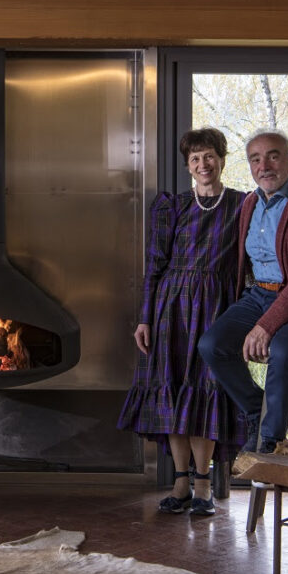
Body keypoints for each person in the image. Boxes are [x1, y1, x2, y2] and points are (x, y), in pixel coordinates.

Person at [116, 128, 246, 517]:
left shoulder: (243, 205)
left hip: (218, 307)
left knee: (206, 390)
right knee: (172, 391)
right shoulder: (171, 206)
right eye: (195, 159)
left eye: (209, 156)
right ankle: (181, 482)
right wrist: (144, 318)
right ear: (187, 165)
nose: (203, 164)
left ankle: (203, 483)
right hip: (171, 307)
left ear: (222, 159)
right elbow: (154, 265)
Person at [197, 129, 288, 454]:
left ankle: (271, 440)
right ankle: (256, 408)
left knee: (281, 349)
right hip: (259, 296)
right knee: (212, 345)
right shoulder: (251, 203)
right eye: (255, 159)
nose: (264, 165)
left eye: (273, 156)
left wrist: (266, 325)